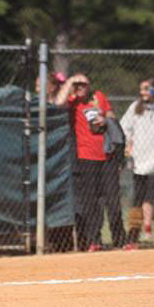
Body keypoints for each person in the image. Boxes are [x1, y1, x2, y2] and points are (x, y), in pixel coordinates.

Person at [54, 73, 127, 251]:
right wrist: (71, 81)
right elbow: (57, 103)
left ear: (89, 85)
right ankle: (95, 240)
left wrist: (106, 120)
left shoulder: (99, 96)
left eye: (83, 85)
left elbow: (112, 119)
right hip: (86, 158)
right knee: (91, 203)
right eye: (77, 85)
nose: (80, 88)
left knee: (113, 201)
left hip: (107, 156)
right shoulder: (72, 101)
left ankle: (120, 240)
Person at [119, 78, 154, 245]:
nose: (143, 93)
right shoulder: (135, 107)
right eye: (141, 89)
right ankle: (133, 236)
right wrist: (128, 144)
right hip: (140, 159)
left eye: (147, 89)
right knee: (138, 198)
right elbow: (124, 127)